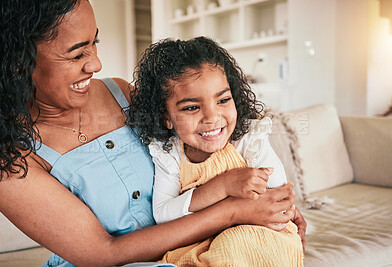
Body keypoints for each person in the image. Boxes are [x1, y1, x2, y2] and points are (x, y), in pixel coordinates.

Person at [0, 0, 306, 266]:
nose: (96, 64)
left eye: (94, 44)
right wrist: (235, 211)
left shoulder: (124, 94)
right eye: (77, 55)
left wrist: (274, 207)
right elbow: (102, 252)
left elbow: (204, 149)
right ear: (18, 61)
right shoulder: (7, 159)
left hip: (191, 248)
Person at [126, 37, 304, 266]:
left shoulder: (247, 142)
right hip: (203, 242)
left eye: (223, 100)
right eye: (191, 107)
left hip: (258, 236)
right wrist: (222, 187)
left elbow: (278, 194)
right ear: (166, 117)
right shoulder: (169, 154)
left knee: (233, 248)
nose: (212, 117)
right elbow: (162, 214)